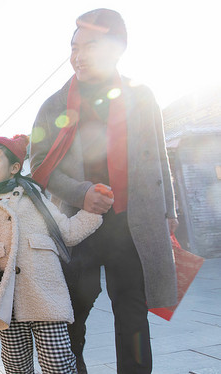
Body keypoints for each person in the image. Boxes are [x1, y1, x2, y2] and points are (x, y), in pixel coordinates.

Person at [29, 9, 178, 374]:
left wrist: (169, 212)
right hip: (78, 226)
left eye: (88, 46)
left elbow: (160, 157)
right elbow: (40, 163)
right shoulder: (54, 105)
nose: (76, 56)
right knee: (74, 310)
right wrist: (82, 194)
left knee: (132, 311)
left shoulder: (141, 97)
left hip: (133, 223)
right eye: (73, 47)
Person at [0, 135, 103, 374]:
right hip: (7, 301)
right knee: (16, 365)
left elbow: (66, 232)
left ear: (15, 167)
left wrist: (92, 211)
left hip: (47, 295)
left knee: (58, 364)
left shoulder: (35, 197)